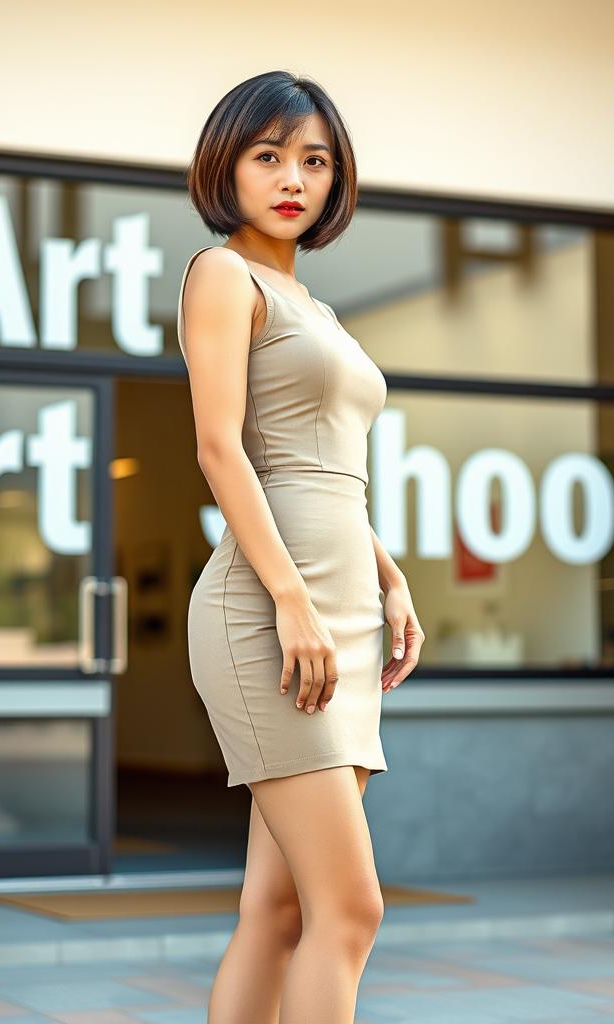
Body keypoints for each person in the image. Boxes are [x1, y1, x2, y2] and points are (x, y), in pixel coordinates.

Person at [176, 69, 425, 1024]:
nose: (294, 177)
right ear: (226, 166)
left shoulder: (311, 306)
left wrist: (389, 577)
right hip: (268, 609)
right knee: (350, 908)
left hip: (345, 606)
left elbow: (325, 470)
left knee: (278, 909)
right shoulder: (222, 274)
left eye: (314, 160)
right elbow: (220, 449)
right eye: (268, 154)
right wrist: (292, 602)